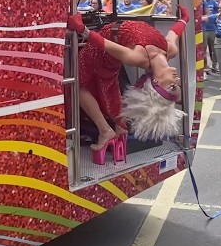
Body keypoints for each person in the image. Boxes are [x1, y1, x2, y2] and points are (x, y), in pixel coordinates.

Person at [66, 9, 187, 163]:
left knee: (78, 84)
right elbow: (174, 32)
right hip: (110, 47)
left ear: (156, 82)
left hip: (101, 48)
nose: (177, 82)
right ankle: (120, 128)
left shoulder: (137, 57)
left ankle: (105, 131)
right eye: (178, 86)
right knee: (107, 85)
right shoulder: (170, 50)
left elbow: (104, 44)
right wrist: (185, 18)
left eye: (172, 87)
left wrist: (81, 28)